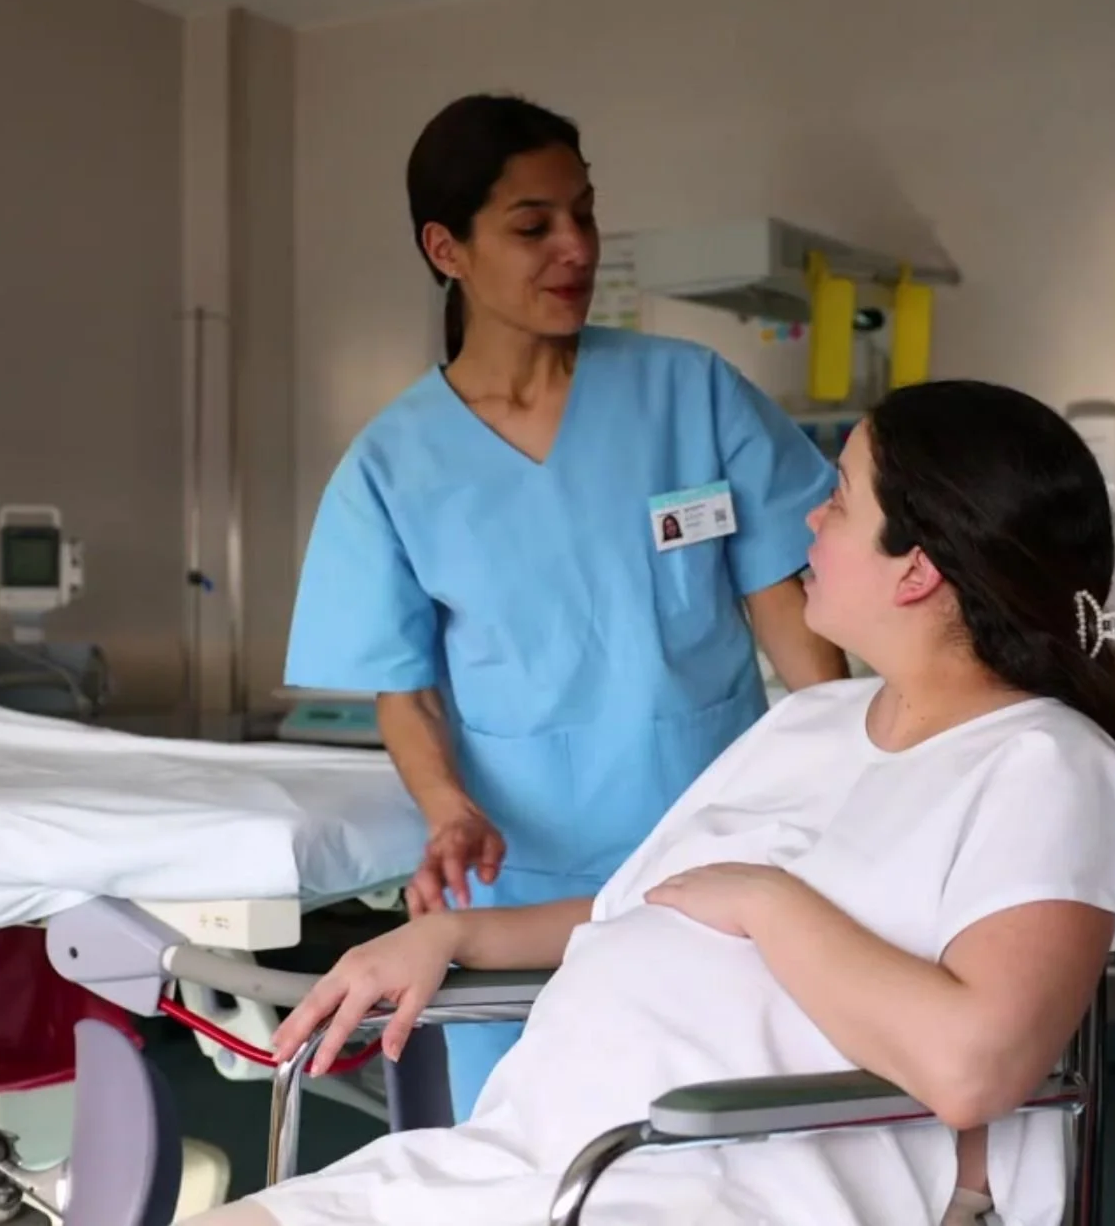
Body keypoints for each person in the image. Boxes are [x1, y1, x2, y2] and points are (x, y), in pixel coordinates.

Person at [220, 380, 1115, 1226]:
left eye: (836, 498)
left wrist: (771, 904)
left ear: (915, 568)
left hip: (701, 1183)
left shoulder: (1042, 768)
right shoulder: (811, 723)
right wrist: (459, 941)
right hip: (526, 1160)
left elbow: (973, 1070)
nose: (808, 523)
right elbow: (664, 901)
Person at [283, 92, 849, 1119]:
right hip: (520, 877)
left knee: (719, 1132)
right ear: (445, 249)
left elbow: (784, 604)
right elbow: (402, 693)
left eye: (584, 215)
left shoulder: (692, 393)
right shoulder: (391, 466)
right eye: (532, 225)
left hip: (715, 846)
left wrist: (851, 763)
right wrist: (447, 808)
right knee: (530, 1144)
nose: (574, 248)